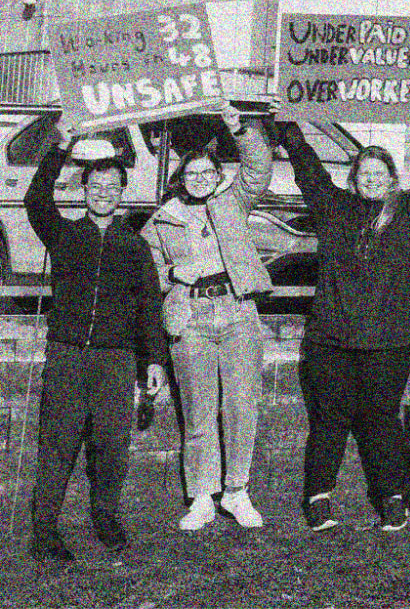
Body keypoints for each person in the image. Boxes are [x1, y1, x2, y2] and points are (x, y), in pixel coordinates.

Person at [270, 114, 410, 531]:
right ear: (353, 179)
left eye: (379, 172)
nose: (371, 179)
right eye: (364, 172)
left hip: (390, 340)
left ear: (392, 178)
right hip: (331, 339)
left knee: (383, 418)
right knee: (329, 419)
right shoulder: (333, 207)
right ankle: (318, 496)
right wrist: (289, 126)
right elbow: (308, 169)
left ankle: (392, 495)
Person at [26, 124, 168, 562]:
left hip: (116, 360)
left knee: (111, 445)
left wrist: (155, 362)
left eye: (111, 186)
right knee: (59, 442)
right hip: (67, 354)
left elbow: (148, 307)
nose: (103, 192)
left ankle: (104, 515)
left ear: (122, 192)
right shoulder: (64, 234)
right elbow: (35, 200)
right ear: (83, 189)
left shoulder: (135, 246)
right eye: (95, 185)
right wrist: (61, 144)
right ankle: (45, 529)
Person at [141, 108, 273, 531]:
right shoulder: (161, 220)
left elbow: (257, 168)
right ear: (180, 178)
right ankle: (201, 495)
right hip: (190, 316)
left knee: (241, 404)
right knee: (198, 411)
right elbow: (144, 277)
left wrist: (239, 128)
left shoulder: (231, 202)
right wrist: (172, 275)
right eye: (192, 173)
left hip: (237, 311)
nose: (200, 179)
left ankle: (236, 492)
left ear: (218, 176)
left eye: (207, 172)